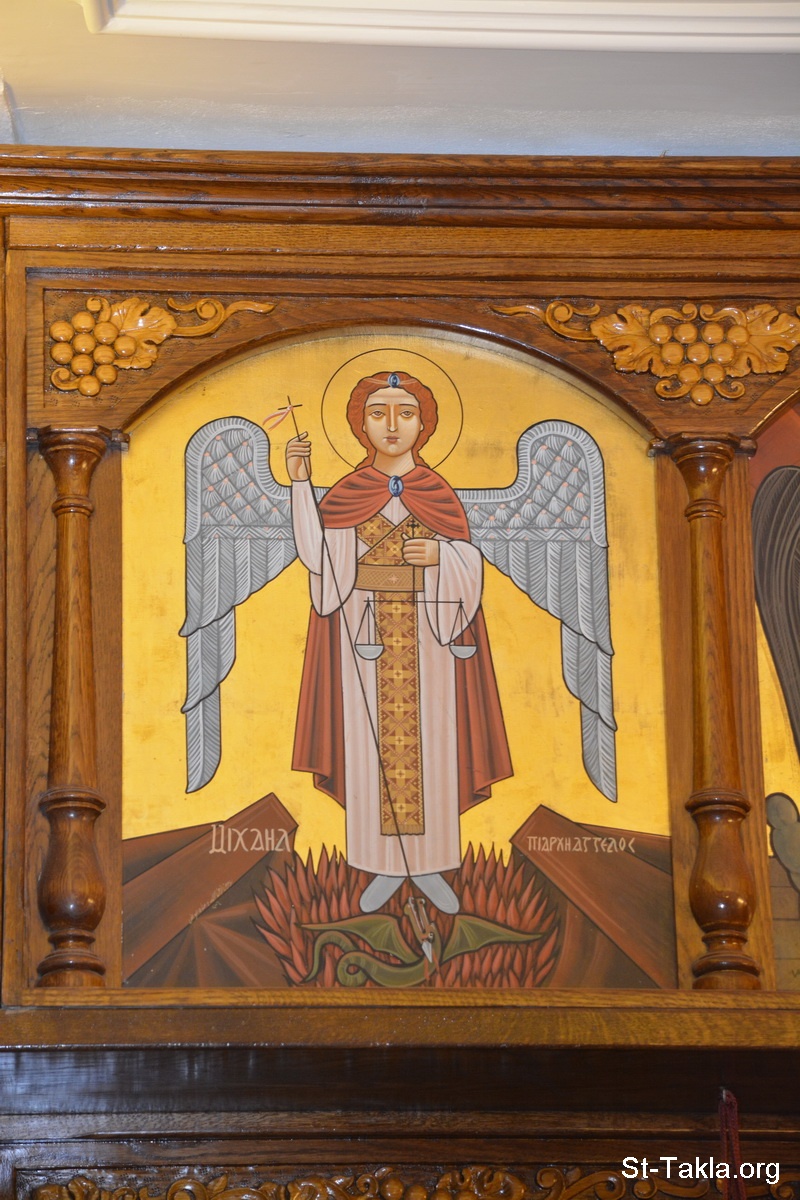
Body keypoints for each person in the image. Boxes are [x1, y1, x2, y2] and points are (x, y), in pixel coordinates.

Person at [287, 371, 512, 913]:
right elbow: (319, 559)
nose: (392, 425)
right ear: (360, 425)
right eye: (378, 413)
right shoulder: (348, 494)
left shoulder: (439, 495)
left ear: (424, 424)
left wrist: (442, 557)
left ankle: (430, 866)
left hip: (432, 639)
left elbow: (468, 565)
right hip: (362, 636)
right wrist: (299, 484)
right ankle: (382, 868)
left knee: (433, 747)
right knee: (368, 749)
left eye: (405, 413)